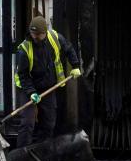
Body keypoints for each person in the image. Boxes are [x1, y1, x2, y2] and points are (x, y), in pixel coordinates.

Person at [13, 16, 81, 148]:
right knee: (27, 123)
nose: (35, 37)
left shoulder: (55, 37)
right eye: (33, 34)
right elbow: (23, 75)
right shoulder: (24, 50)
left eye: (39, 34)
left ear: (45, 32)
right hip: (28, 88)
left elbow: (68, 48)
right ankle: (21, 155)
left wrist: (75, 65)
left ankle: (41, 151)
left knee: (49, 123)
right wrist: (31, 93)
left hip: (47, 87)